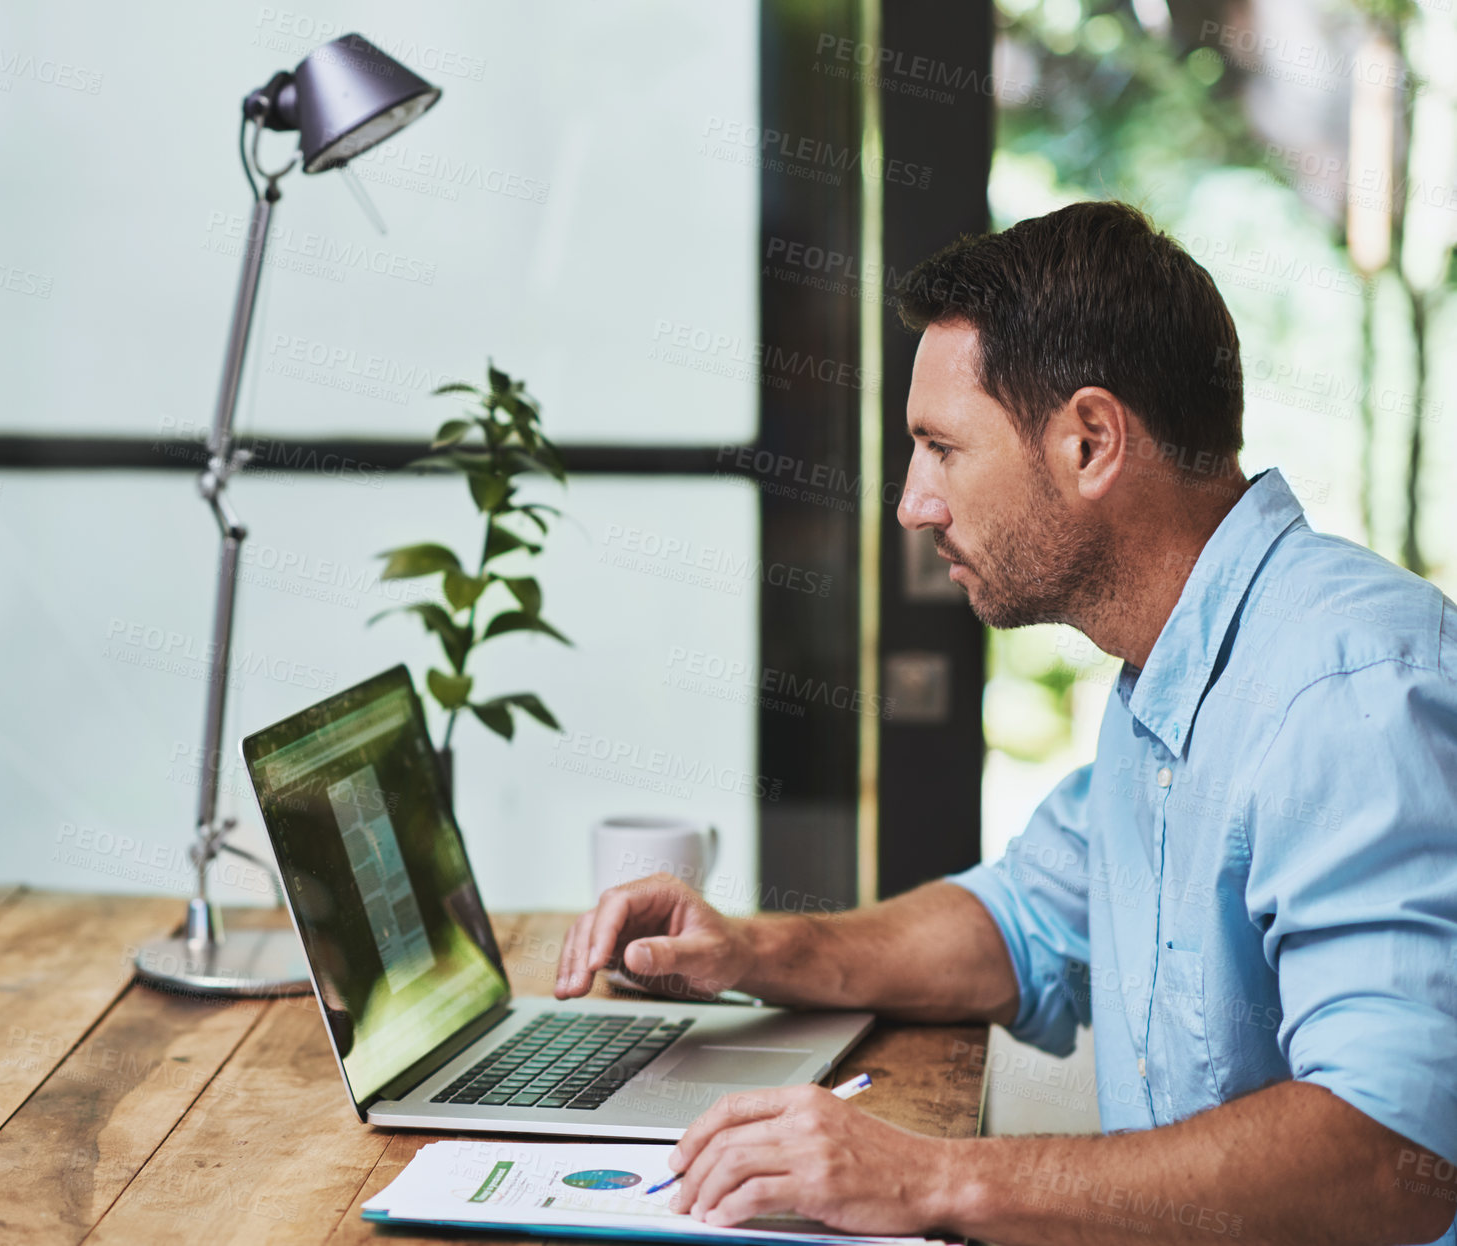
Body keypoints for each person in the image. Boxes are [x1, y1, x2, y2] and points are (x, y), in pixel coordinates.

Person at [554, 201, 1457, 1246]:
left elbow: (1394, 1158)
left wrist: (937, 1181)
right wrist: (749, 947)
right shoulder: (1168, 677)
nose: (912, 504)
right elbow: (1015, 923)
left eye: (942, 447)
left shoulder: (1343, 689)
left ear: (1088, 441)